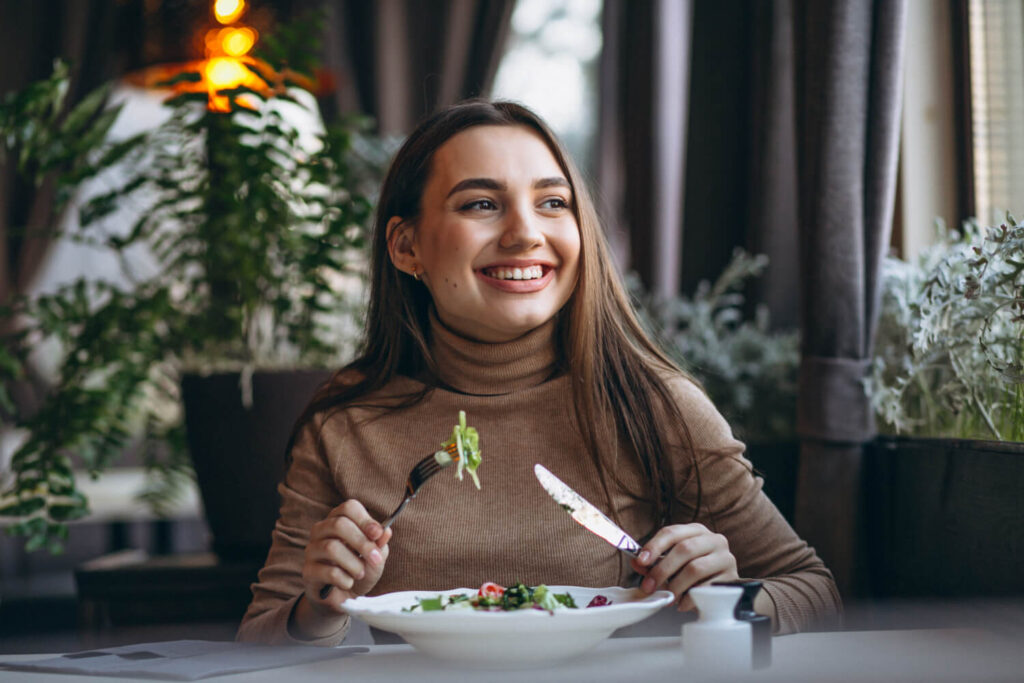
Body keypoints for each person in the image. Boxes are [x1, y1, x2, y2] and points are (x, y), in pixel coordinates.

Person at [236, 100, 841, 645]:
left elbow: (815, 591)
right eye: (480, 204)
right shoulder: (346, 421)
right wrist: (319, 608)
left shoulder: (654, 406)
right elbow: (261, 635)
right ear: (406, 246)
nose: (526, 233)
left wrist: (728, 599)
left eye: (553, 203)